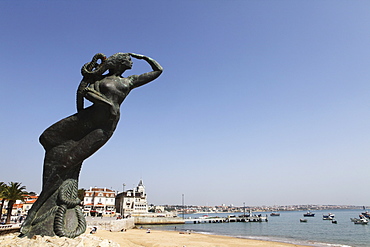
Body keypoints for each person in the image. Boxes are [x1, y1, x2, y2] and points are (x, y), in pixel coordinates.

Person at [20, 52, 163, 238]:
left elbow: (158, 70)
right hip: (88, 118)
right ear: (118, 62)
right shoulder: (99, 80)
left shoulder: (129, 82)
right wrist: (104, 101)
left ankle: (35, 214)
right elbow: (84, 94)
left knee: (66, 163)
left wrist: (143, 57)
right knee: (47, 137)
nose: (131, 62)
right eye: (128, 59)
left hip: (104, 127)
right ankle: (43, 207)